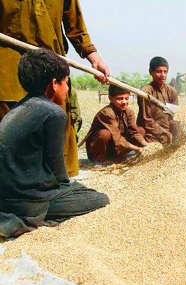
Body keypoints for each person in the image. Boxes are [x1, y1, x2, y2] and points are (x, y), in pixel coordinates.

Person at [0, 48, 110, 239]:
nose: (67, 89)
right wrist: (69, 189)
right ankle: (32, 220)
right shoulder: (53, 113)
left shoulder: (18, 107)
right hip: (28, 200)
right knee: (99, 199)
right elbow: (58, 173)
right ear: (54, 84)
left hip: (6, 195)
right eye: (66, 82)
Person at [0, 0, 110, 177]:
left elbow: (75, 23)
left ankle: (56, 186)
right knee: (10, 128)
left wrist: (92, 55)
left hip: (51, 61)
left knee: (54, 123)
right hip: (7, 62)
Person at [82, 84, 148, 163]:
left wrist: (146, 146)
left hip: (116, 145)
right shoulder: (107, 113)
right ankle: (99, 160)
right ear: (110, 98)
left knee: (141, 130)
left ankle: (119, 156)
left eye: (126, 98)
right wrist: (137, 148)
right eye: (120, 99)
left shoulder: (129, 111)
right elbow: (117, 137)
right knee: (104, 134)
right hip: (101, 147)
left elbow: (135, 132)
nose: (124, 102)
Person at [136, 56, 184, 147]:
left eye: (165, 72)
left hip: (168, 127)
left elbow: (175, 114)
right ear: (151, 72)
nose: (162, 75)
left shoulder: (172, 91)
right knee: (143, 137)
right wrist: (163, 132)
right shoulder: (145, 92)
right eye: (159, 71)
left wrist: (172, 129)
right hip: (150, 130)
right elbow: (147, 120)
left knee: (181, 131)